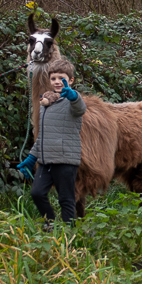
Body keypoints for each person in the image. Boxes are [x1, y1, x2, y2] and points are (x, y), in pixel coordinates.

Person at [16, 61, 87, 231]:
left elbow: (80, 108)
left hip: (65, 160)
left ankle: (68, 234)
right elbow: (43, 135)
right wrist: (31, 158)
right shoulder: (45, 104)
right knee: (37, 193)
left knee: (66, 199)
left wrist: (73, 97)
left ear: (70, 80)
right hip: (46, 160)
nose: (57, 81)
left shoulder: (72, 101)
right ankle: (52, 225)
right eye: (53, 78)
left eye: (61, 78)